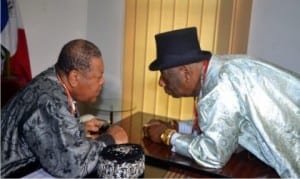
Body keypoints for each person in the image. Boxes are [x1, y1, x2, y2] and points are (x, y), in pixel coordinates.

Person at [143, 27, 300, 178]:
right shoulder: (219, 68)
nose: (161, 83)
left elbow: (213, 155)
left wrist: (167, 136)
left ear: (185, 72)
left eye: (164, 75)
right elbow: (225, 125)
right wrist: (179, 127)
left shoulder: (220, 85)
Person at [1, 39, 128, 178]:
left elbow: (48, 130)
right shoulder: (49, 101)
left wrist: (77, 128)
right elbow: (72, 166)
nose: (102, 81)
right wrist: (110, 139)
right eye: (98, 76)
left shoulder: (51, 80)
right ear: (74, 77)